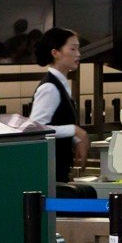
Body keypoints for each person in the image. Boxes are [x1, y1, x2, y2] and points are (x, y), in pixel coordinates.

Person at [28, 27, 89, 183]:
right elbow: (36, 128)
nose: (78, 54)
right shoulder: (50, 87)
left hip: (59, 165)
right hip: (49, 168)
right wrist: (74, 130)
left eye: (78, 48)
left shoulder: (61, 84)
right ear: (55, 53)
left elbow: (58, 122)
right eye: (72, 48)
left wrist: (75, 138)